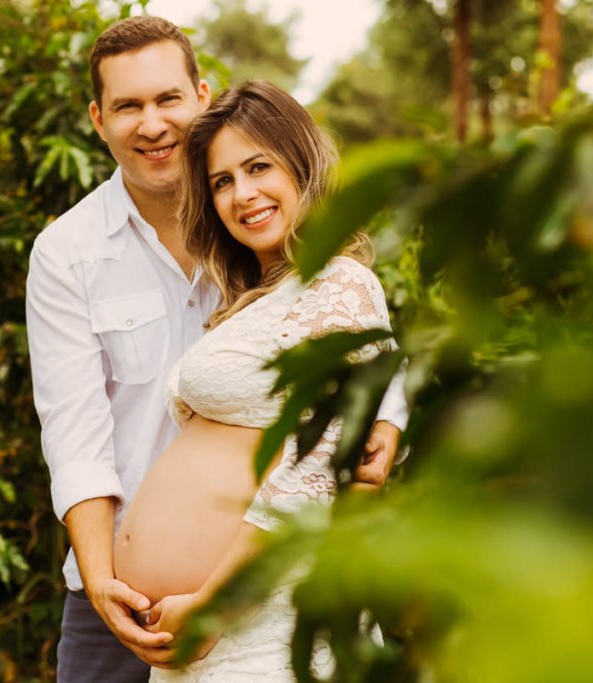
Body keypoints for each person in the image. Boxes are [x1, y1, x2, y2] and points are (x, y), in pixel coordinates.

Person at [25, 17, 407, 683]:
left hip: (255, 595)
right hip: (113, 596)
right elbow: (73, 432)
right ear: (98, 118)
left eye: (168, 98)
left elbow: (352, 358)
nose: (152, 123)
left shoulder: (258, 244)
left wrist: (388, 414)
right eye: (128, 106)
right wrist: (101, 579)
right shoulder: (69, 251)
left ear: (202, 95)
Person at [110, 80, 402, 681]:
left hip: (262, 623)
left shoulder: (338, 282)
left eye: (258, 167)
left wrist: (217, 606)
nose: (243, 194)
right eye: (222, 181)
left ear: (301, 165)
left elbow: (317, 463)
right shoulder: (254, 299)